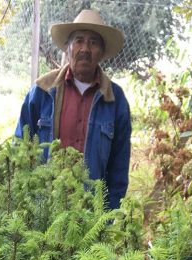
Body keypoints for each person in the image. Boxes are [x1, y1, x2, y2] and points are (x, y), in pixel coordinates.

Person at [15, 8, 131, 209]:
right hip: (44, 206)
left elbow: (119, 168)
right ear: (67, 48)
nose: (85, 48)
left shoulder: (115, 101)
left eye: (93, 42)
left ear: (101, 52)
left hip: (91, 211)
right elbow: (21, 148)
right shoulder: (42, 92)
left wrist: (109, 216)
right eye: (78, 40)